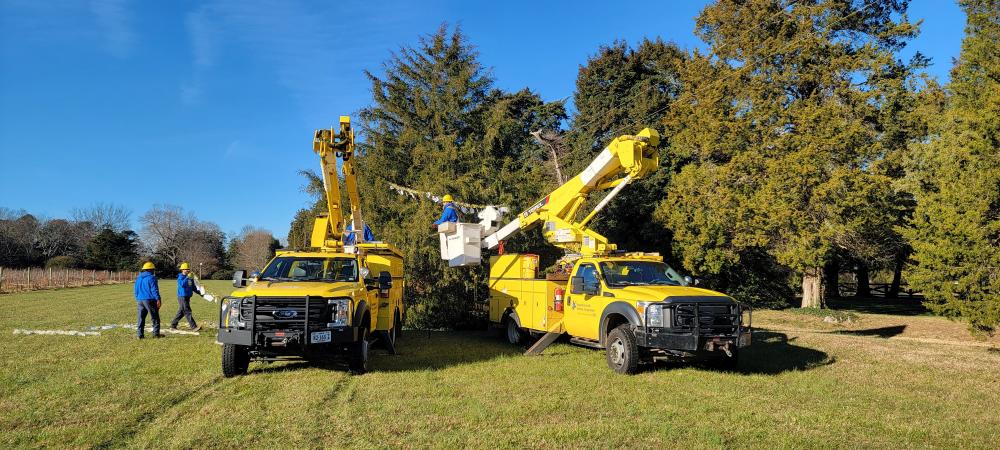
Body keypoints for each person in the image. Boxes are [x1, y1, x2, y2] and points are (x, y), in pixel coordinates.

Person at [170, 262, 204, 332]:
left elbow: (193, 287)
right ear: (182, 270)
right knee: (187, 311)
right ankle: (194, 327)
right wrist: (187, 277)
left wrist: (201, 293)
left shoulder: (190, 277)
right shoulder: (180, 277)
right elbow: (182, 284)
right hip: (182, 297)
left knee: (181, 312)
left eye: (188, 269)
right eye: (186, 269)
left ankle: (173, 325)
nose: (188, 270)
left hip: (187, 297)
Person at [134, 262, 162, 339]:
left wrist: (137, 297)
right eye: (153, 269)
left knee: (141, 318)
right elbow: (154, 290)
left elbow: (135, 289)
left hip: (140, 300)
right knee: (155, 317)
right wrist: (158, 299)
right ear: (151, 270)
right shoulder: (152, 278)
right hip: (150, 299)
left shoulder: (139, 278)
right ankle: (156, 334)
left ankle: (140, 335)